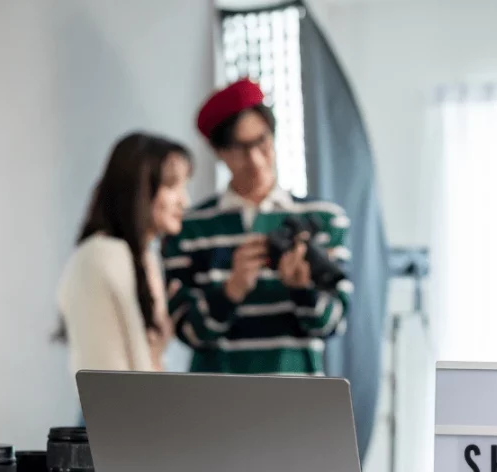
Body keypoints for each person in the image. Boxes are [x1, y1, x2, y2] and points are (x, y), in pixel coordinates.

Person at [162, 79, 351, 375]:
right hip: (215, 403)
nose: (255, 159)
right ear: (218, 152)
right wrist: (231, 290)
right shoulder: (188, 229)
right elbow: (188, 333)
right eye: (239, 149)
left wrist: (303, 291)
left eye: (262, 142)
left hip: (297, 400)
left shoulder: (325, 219)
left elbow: (334, 323)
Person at [57, 132, 193, 375]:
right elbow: (108, 378)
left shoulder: (144, 256)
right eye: (172, 186)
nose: (185, 201)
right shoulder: (102, 256)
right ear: (140, 186)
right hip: (115, 410)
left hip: (132, 408)